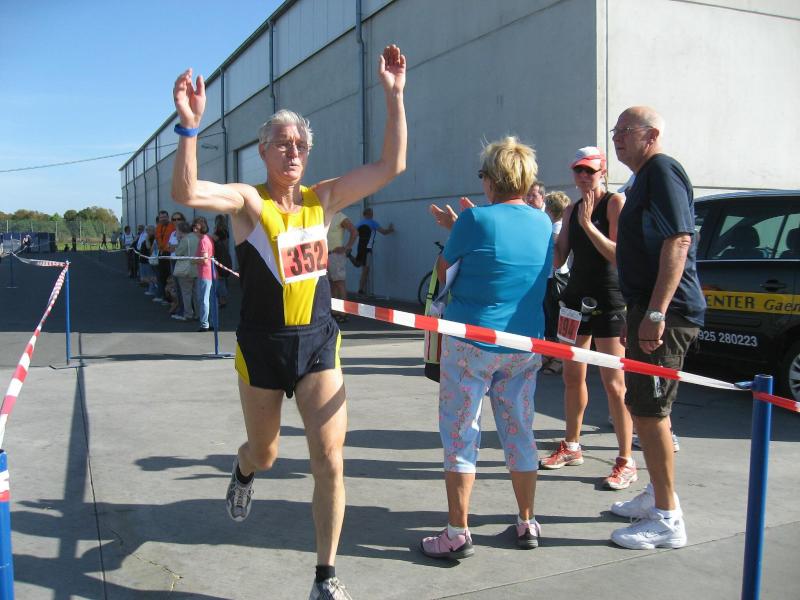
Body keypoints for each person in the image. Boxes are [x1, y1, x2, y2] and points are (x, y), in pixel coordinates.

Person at [171, 44, 406, 598]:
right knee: (267, 453)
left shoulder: (323, 199)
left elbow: (391, 166)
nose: (293, 151)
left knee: (329, 459)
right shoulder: (250, 202)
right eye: (282, 143)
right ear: (262, 151)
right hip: (262, 346)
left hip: (318, 343)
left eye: (300, 144)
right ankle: (244, 468)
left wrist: (395, 97)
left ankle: (326, 575)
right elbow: (187, 191)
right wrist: (189, 128)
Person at [421, 137, 552, 559]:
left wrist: (458, 228)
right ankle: (527, 520)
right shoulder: (543, 222)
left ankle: (457, 530)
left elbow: (445, 271)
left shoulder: (475, 219)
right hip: (524, 342)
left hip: (472, 340)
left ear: (493, 178)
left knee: (461, 432)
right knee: (520, 429)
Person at [608, 106, 704, 549]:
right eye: (616, 130)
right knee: (643, 407)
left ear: (652, 135)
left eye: (626, 130)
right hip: (645, 308)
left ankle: (667, 520)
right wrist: (638, 313)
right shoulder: (644, 177)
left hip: (667, 312)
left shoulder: (662, 170)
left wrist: (656, 313)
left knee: (650, 411)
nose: (617, 137)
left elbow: (679, 239)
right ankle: (658, 493)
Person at [539, 147, 635, 490]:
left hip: (609, 301)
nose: (583, 176)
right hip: (574, 302)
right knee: (571, 376)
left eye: (589, 171)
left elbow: (618, 254)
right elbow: (559, 257)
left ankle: (626, 460)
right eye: (578, 170)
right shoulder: (571, 208)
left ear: (602, 172)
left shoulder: (615, 203)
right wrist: (541, 227)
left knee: (614, 383)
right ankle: (571, 445)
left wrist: (587, 226)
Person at [540, 190, 571, 375]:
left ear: (551, 209)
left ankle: (559, 358)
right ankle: (550, 353)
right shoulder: (554, 226)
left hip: (557, 279)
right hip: (550, 278)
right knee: (550, 318)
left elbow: (554, 255)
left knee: (558, 319)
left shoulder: (557, 228)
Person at [349, 207, 394, 296]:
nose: (372, 215)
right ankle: (361, 291)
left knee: (360, 265)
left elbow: (353, 233)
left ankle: (349, 256)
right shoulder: (373, 223)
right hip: (368, 249)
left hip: (360, 247)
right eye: (371, 213)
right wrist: (390, 229)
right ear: (369, 214)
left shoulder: (359, 223)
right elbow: (384, 232)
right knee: (365, 269)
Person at [326, 211, 357, 322]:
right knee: (332, 284)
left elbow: (354, 231)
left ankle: (343, 312)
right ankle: (335, 311)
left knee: (339, 283)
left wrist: (347, 247)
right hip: (325, 254)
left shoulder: (339, 216)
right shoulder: (324, 215)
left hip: (335, 255)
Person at [172, 221, 198, 321]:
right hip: (196, 268)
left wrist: (178, 242)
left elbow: (178, 253)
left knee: (186, 293)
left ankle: (188, 314)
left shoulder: (184, 240)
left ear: (180, 230)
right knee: (196, 293)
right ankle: (198, 313)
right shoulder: (196, 237)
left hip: (185, 269)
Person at [191, 216, 214, 332]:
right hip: (209, 273)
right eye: (194, 227)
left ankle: (204, 323)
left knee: (203, 299)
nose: (194, 229)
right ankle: (211, 322)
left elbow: (204, 259)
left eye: (196, 227)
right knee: (209, 299)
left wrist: (194, 260)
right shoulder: (207, 238)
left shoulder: (203, 240)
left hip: (205, 273)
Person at [210, 214, 233, 308]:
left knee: (220, 279)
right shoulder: (226, 231)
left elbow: (214, 239)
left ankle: (222, 299)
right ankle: (223, 298)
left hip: (220, 257)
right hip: (225, 256)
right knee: (224, 278)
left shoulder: (219, 232)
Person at [154, 210, 175, 303]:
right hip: (161, 253)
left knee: (169, 276)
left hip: (169, 253)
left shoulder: (172, 226)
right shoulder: (158, 227)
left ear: (168, 217)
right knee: (162, 275)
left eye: (164, 217)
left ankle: (170, 299)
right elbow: (157, 239)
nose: (163, 219)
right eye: (161, 217)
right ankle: (163, 296)